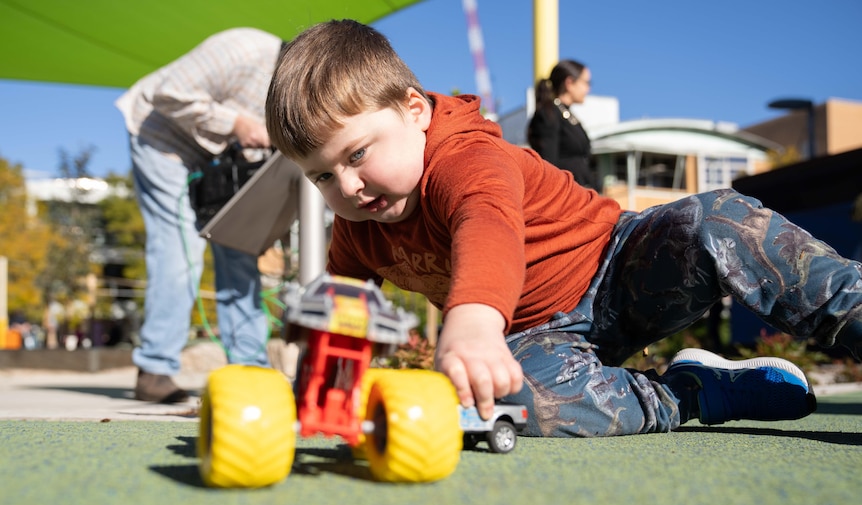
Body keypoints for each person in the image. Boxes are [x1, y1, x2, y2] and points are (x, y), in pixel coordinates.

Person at [265, 19, 862, 437]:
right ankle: (692, 392)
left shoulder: (465, 158)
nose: (346, 188)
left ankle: (853, 309)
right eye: (320, 177)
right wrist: (317, 376)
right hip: (537, 339)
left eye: (357, 154)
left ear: (415, 111)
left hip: (621, 270)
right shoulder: (359, 223)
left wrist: (471, 321)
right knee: (501, 402)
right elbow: (341, 309)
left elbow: (487, 224)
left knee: (722, 221)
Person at [116, 28, 281, 402]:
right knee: (182, 250)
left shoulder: (289, 102)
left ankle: (250, 371)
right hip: (160, 140)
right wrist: (237, 123)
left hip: (216, 162)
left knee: (239, 248)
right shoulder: (247, 49)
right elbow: (168, 92)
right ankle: (155, 370)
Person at [527, 59, 594, 188]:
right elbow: (548, 165)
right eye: (586, 82)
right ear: (569, 83)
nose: (588, 89)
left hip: (582, 193)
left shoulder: (567, 115)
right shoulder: (549, 114)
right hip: (567, 197)